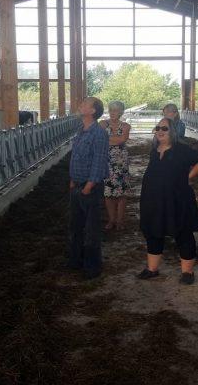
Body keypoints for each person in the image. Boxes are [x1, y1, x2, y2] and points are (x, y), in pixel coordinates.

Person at [138, 117, 198, 285]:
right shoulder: (154, 150)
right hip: (153, 199)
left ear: (173, 131)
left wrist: (189, 176)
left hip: (178, 199)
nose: (160, 131)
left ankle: (187, 272)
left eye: (164, 128)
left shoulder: (181, 150)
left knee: (183, 232)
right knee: (153, 231)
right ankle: (152, 269)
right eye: (158, 128)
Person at [69, 97, 110, 279]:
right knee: (76, 226)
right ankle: (76, 261)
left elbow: (99, 161)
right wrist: (72, 179)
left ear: (93, 111)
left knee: (91, 229)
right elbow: (76, 157)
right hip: (77, 184)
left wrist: (89, 185)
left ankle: (92, 267)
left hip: (89, 187)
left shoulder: (98, 133)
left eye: (85, 104)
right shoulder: (81, 130)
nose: (81, 105)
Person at [99, 101, 131, 230]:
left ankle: (119, 221)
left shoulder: (126, 126)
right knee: (108, 192)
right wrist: (113, 139)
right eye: (111, 110)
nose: (113, 113)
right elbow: (101, 139)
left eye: (116, 110)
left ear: (121, 112)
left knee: (121, 192)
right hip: (106, 161)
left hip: (120, 162)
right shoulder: (102, 123)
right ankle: (111, 220)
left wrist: (107, 139)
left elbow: (122, 140)